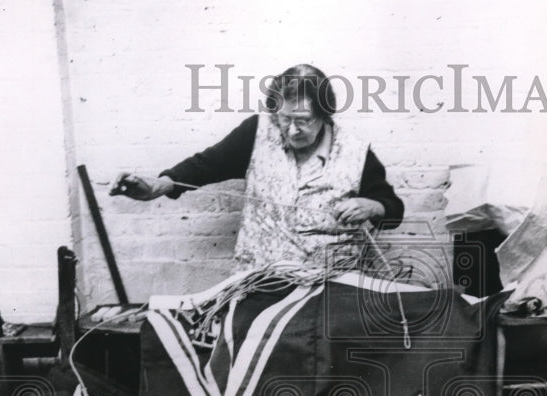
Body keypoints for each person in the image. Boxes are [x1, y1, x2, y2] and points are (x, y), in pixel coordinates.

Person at [111, 64, 404, 271]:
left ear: (325, 115)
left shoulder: (355, 152)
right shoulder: (257, 132)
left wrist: (372, 206)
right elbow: (205, 165)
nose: (291, 130)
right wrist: (158, 187)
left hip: (331, 284)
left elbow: (393, 209)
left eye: (303, 120)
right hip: (261, 280)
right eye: (284, 119)